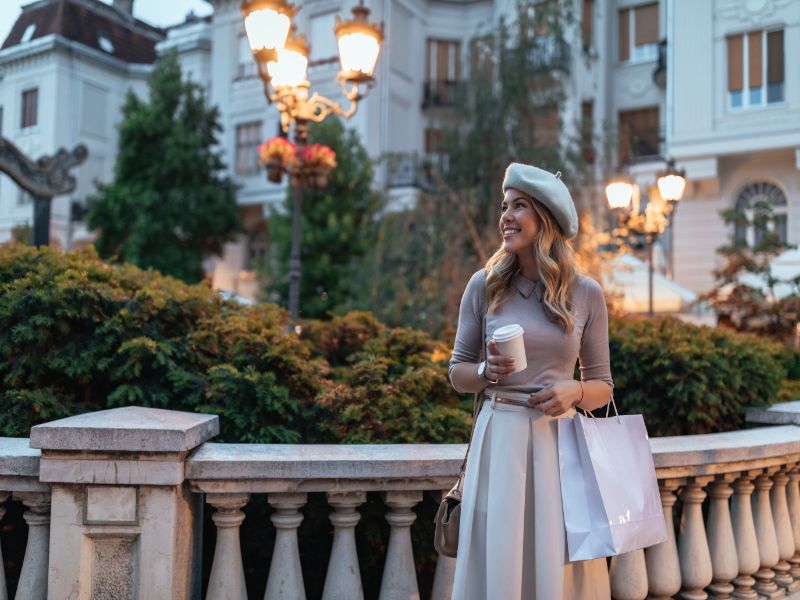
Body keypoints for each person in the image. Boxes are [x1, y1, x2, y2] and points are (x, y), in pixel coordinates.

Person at [449, 162, 614, 599]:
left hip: (558, 443)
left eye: (519, 206)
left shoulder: (586, 293)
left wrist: (574, 391)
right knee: (499, 556)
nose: (505, 215)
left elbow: (603, 386)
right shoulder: (484, 286)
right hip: (499, 437)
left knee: (557, 559)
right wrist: (486, 373)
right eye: (504, 205)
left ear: (546, 219)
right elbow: (457, 373)